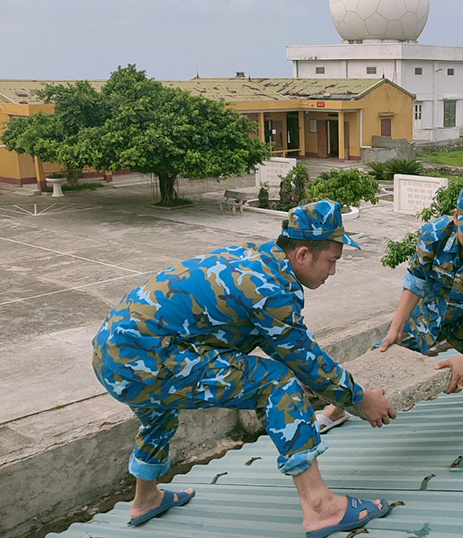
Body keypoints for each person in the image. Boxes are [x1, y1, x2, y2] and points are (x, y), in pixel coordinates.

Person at [92, 200, 396, 538]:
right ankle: (320, 506)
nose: (333, 271)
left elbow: (267, 336)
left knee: (160, 408)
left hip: (111, 354)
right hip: (145, 358)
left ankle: (145, 498)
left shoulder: (259, 259)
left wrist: (309, 377)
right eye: (332, 261)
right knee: (277, 383)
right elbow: (307, 361)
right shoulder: (272, 289)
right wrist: (361, 398)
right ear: (304, 254)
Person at [317, 181, 463, 434]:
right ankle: (340, 406)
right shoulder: (434, 234)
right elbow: (415, 282)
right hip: (433, 310)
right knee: (387, 348)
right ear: (456, 217)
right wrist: (395, 328)